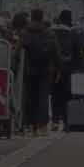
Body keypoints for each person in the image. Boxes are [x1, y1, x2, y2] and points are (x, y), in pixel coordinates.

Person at [21, 8, 59, 136]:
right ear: (42, 17)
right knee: (43, 97)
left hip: (28, 69)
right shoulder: (49, 33)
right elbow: (55, 53)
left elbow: (18, 52)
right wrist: (59, 68)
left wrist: (15, 67)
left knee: (30, 97)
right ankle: (42, 126)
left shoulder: (25, 33)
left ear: (32, 17)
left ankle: (31, 126)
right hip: (45, 70)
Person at [50, 9, 80, 131]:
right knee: (68, 95)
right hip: (70, 69)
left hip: (55, 69)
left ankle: (55, 121)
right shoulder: (73, 34)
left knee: (55, 95)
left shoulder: (52, 32)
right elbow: (78, 53)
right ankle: (67, 123)